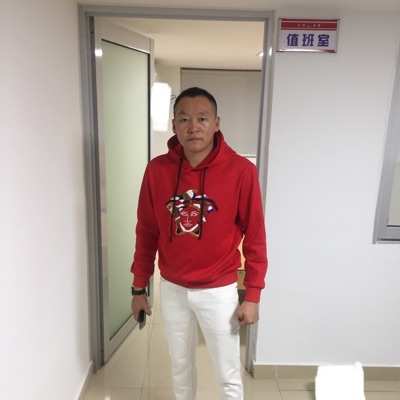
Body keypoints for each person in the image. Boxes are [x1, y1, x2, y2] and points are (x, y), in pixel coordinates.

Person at [130, 87, 267, 400]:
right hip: (173, 288)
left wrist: (253, 294)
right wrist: (138, 288)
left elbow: (256, 237)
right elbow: (146, 232)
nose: (193, 127)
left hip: (218, 291)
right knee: (180, 368)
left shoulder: (241, 171)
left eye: (202, 118)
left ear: (216, 123)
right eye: (184, 119)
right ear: (174, 125)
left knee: (227, 375)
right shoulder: (157, 170)